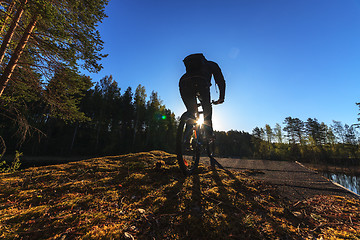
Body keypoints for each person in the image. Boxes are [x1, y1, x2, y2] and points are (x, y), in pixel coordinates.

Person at [179, 53, 226, 138]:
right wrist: (221, 97)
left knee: (191, 112)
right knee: (207, 107)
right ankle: (208, 133)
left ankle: (186, 140)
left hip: (184, 82)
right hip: (201, 84)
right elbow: (220, 81)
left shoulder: (191, 70)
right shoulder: (212, 65)